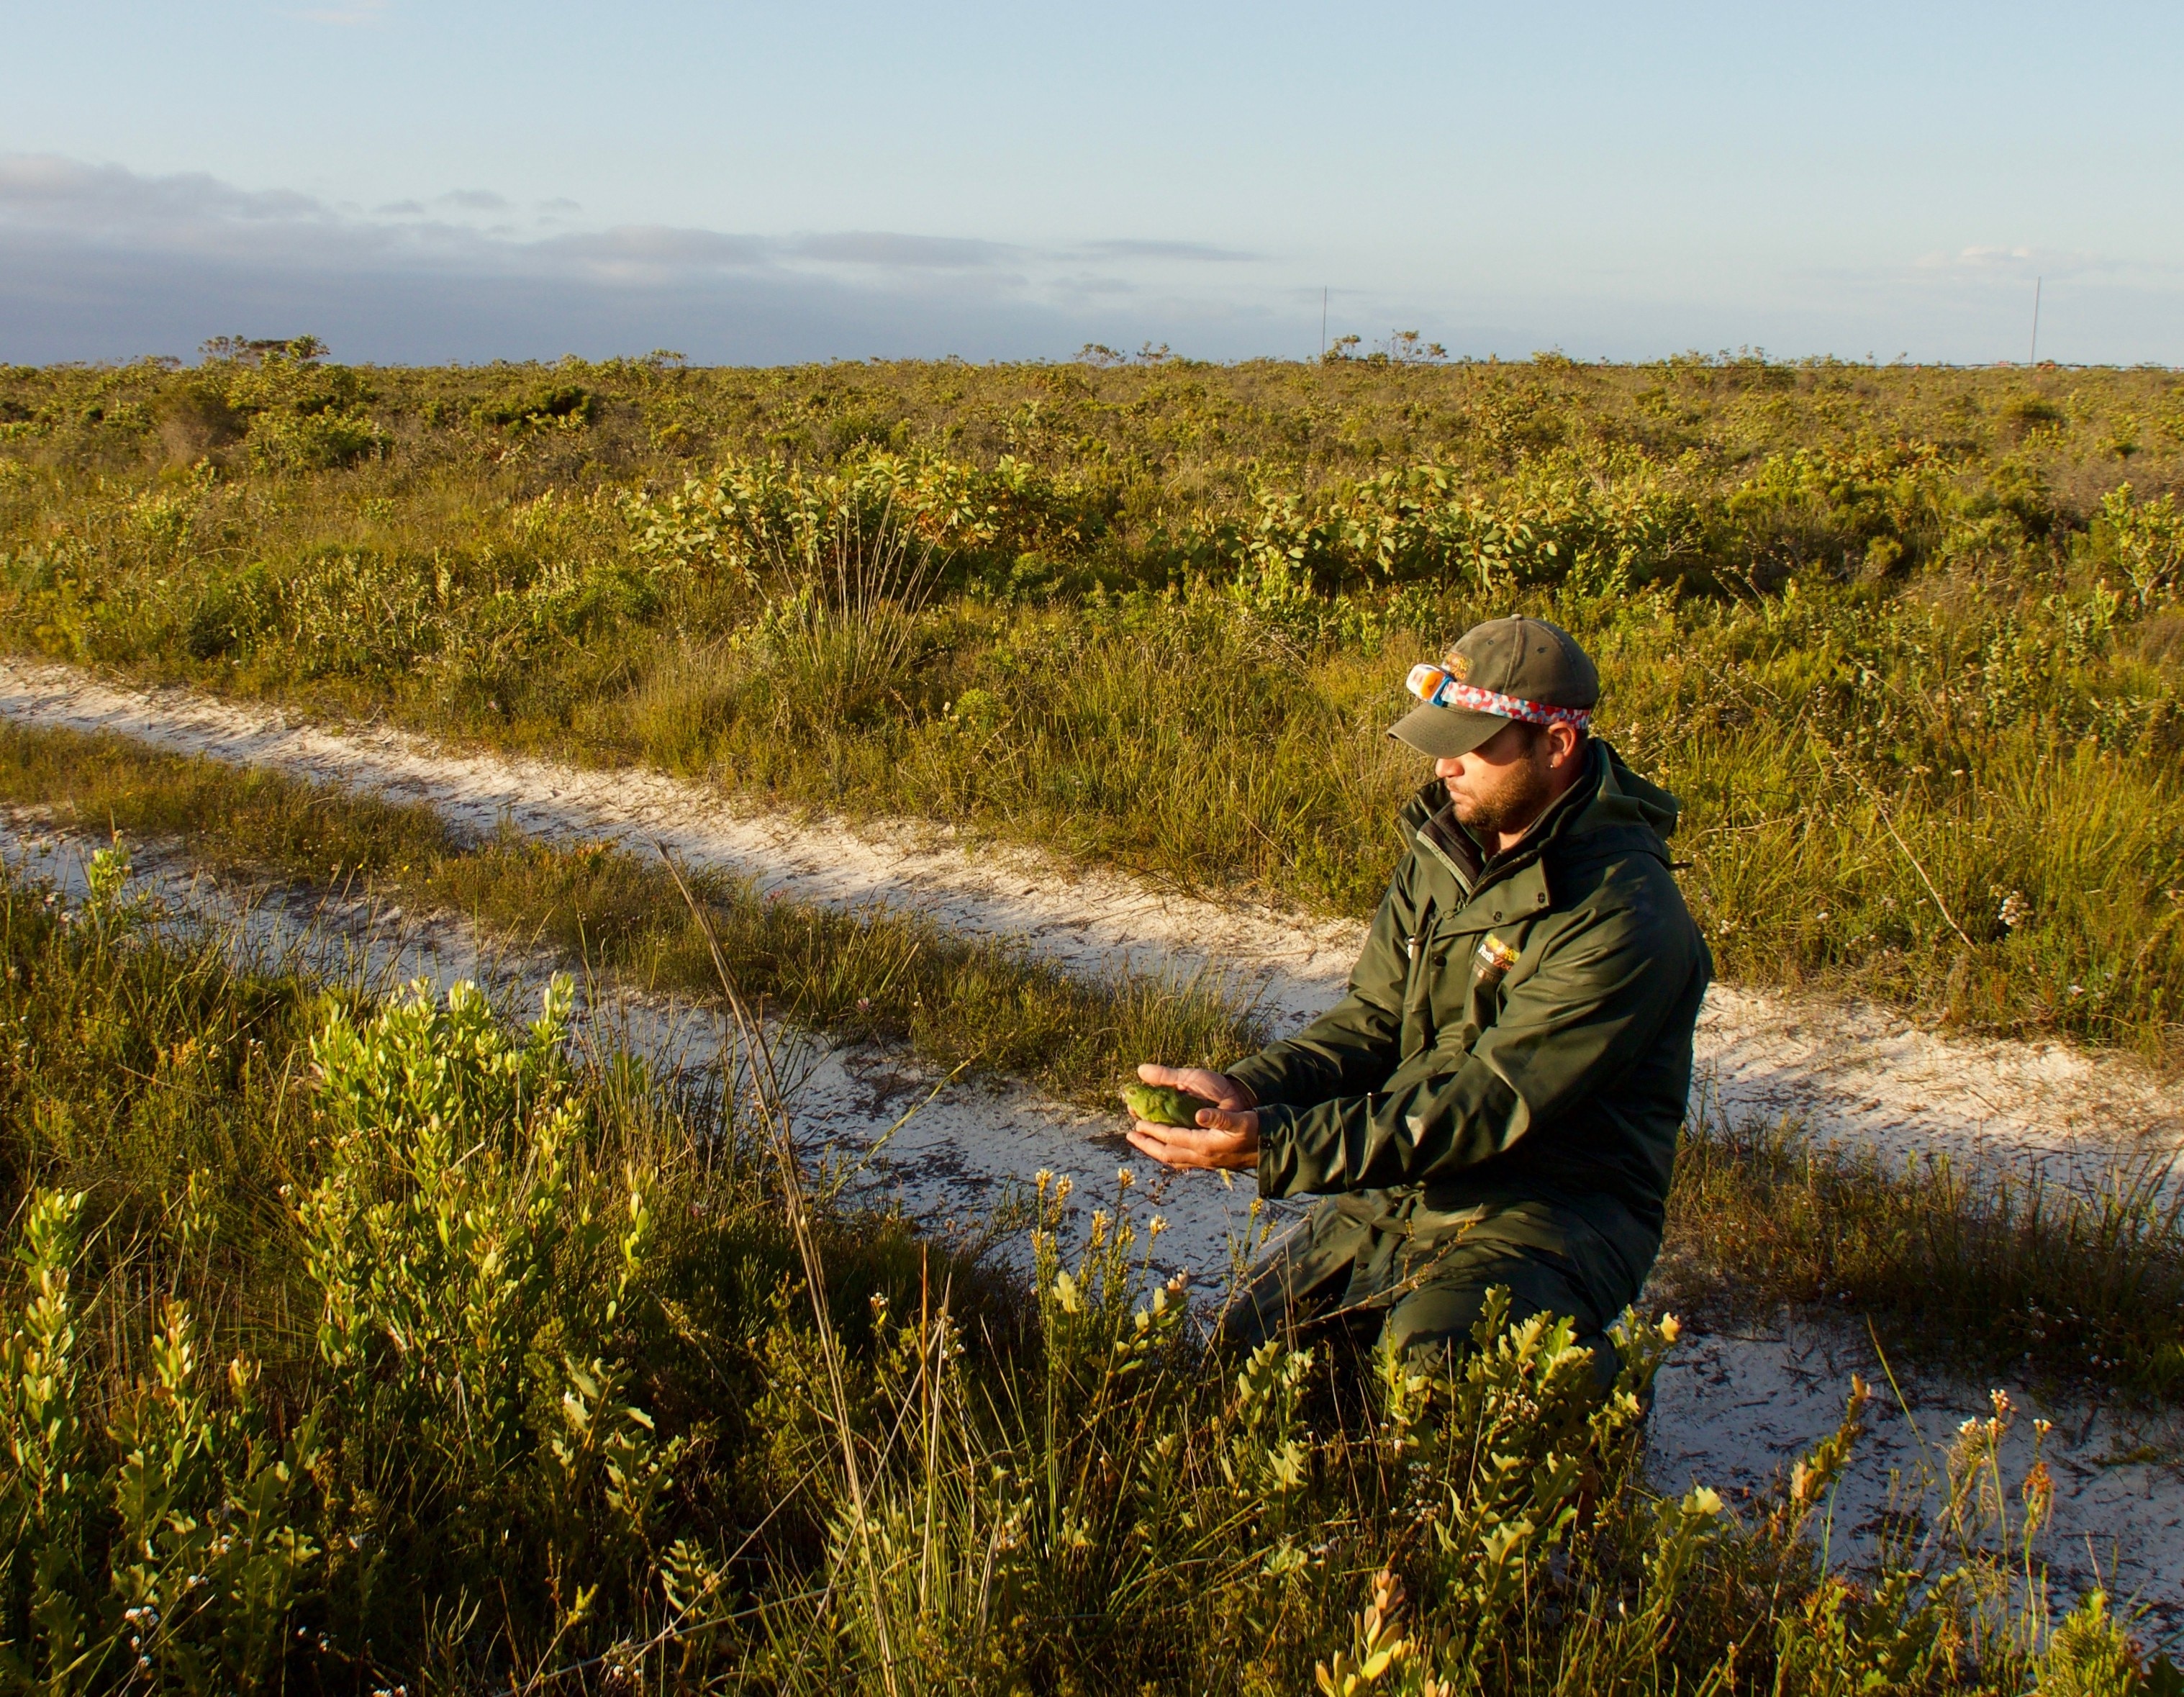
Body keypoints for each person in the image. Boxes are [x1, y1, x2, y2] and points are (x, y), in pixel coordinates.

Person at [1128, 615, 1710, 1390]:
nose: (1443, 767)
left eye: (1470, 746)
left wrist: (1280, 1145)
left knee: (1433, 1368)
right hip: (1412, 1178)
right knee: (1241, 1366)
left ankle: (1591, 1399)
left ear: (1556, 746)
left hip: (1553, 1207)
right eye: (1439, 740)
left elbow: (1482, 1104)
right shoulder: (1450, 846)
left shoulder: (1624, 919)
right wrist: (1252, 1090)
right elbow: (1371, 1021)